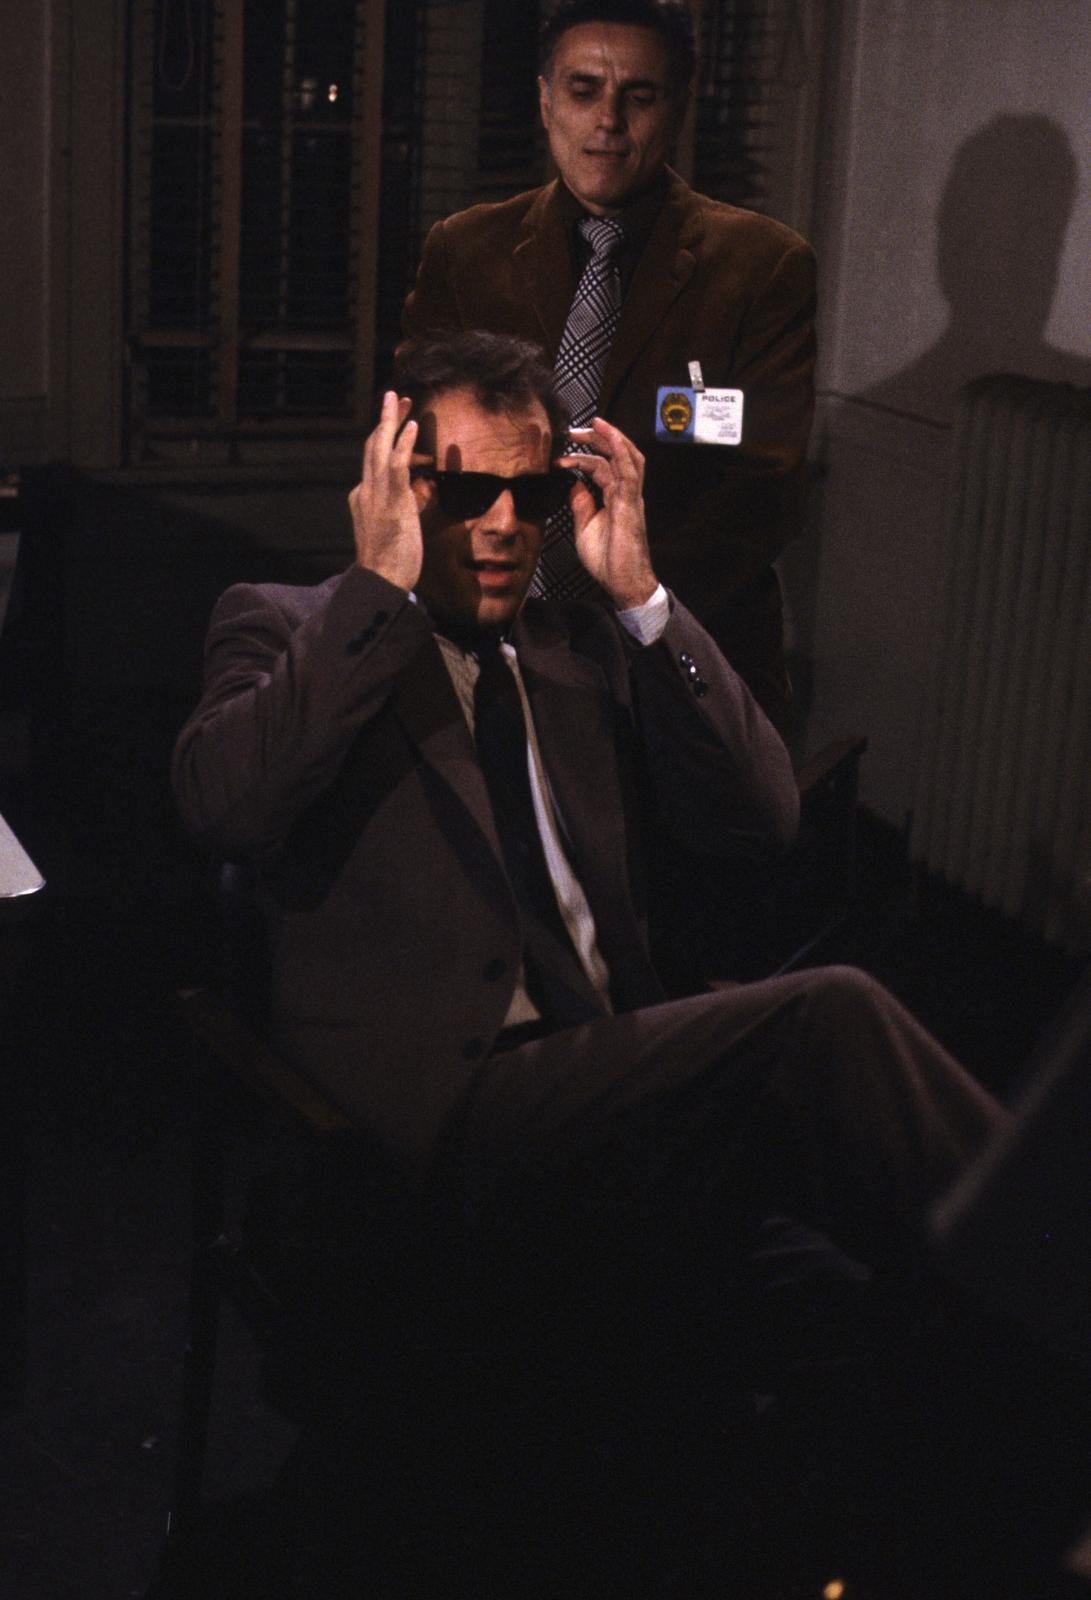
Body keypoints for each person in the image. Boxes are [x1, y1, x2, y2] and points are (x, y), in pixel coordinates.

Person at [170, 330, 1015, 1596]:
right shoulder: (291, 627)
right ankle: (1052, 1254)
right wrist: (377, 590)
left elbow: (764, 814)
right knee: (826, 1019)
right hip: (439, 1129)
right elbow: (223, 803)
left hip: (610, 1093)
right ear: (396, 481)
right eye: (467, 490)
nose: (502, 523)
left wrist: (641, 599)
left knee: (905, 1302)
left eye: (529, 493)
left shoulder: (576, 646)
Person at [401, 0, 817, 731]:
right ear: (544, 100)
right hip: (484, 640)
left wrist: (622, 614)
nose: (608, 121)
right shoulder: (465, 252)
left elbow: (762, 496)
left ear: (678, 107)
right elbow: (414, 454)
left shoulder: (761, 267)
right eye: (583, 90)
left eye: (639, 96)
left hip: (674, 649)